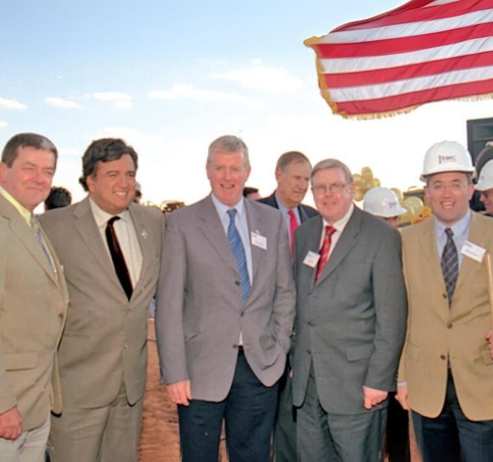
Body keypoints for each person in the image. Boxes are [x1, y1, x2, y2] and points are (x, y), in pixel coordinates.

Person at [155, 135, 295, 462]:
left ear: (248, 172)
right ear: (207, 170)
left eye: (235, 168)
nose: (228, 176)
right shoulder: (181, 223)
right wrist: (175, 372)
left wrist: (279, 346)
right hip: (200, 369)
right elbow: (169, 303)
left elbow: (284, 291)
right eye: (220, 168)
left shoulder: (271, 221)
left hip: (260, 366)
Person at [39, 138, 164, 462]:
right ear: (90, 180)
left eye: (130, 174)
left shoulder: (152, 222)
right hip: (76, 389)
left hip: (131, 390)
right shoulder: (52, 227)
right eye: (112, 175)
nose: (124, 183)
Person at [292, 158, 407, 461]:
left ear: (352, 190)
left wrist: (379, 381)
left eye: (335, 187)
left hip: (357, 387)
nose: (327, 195)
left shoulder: (380, 237)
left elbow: (392, 317)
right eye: (319, 188)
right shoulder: (304, 235)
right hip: (308, 385)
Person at [396, 141, 493, 462]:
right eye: (438, 185)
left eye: (455, 183)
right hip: (426, 386)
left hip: (482, 382)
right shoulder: (404, 242)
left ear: (472, 188)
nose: (446, 193)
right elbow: (398, 313)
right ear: (426, 191)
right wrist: (401, 377)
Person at [0, 133, 68, 461]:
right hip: (8, 409)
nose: (40, 179)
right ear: (3, 171)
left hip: (35, 404)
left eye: (48, 171)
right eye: (29, 168)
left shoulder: (31, 224)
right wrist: (3, 405)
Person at [257, 150, 318, 461]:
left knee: (294, 416)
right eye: (296, 177)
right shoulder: (252, 213)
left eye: (307, 179)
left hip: (304, 333)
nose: (302, 185)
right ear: (278, 175)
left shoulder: (315, 218)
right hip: (263, 332)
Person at [363, 186, 410, 462]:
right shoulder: (356, 255)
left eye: (394, 219)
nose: (393, 224)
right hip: (367, 366)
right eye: (385, 220)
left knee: (398, 434)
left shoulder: (405, 249)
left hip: (399, 364)